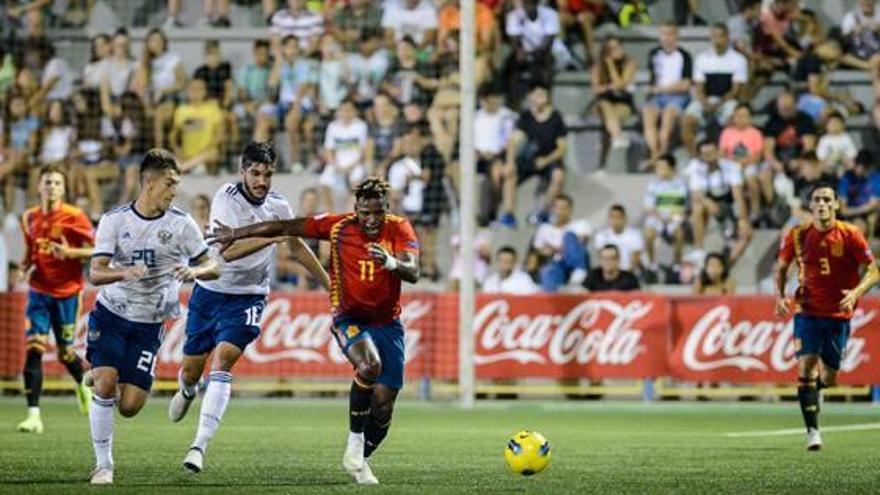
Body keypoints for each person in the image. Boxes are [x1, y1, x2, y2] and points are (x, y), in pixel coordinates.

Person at [207, 178, 421, 486]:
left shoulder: (399, 228)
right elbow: (284, 227)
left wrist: (391, 262)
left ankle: (361, 460)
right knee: (369, 366)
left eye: (377, 212)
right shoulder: (338, 227)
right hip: (349, 316)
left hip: (388, 323)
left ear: (386, 209)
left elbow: (413, 271)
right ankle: (354, 441)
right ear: (355, 209)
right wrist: (235, 233)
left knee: (384, 404)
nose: (371, 220)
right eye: (365, 212)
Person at [168, 142, 329, 473]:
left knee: (224, 359)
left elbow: (296, 246)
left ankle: (199, 445)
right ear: (243, 172)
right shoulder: (225, 199)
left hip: (249, 295)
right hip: (210, 290)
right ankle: (187, 388)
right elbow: (229, 251)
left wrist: (331, 285)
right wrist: (272, 235)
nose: (262, 180)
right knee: (191, 370)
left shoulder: (279, 206)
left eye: (267, 174)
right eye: (255, 173)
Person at [85, 149, 220, 485]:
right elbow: (95, 274)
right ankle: (104, 465)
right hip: (111, 314)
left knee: (129, 406)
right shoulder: (115, 221)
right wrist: (124, 272)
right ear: (148, 182)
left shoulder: (182, 224)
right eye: (170, 183)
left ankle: (105, 376)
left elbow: (213, 267)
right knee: (104, 384)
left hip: (150, 323)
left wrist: (194, 271)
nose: (175, 190)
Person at [776, 183, 878, 451]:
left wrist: (857, 292)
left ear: (836, 205)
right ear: (811, 206)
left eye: (826, 199)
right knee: (806, 364)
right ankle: (813, 432)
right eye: (816, 200)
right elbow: (782, 267)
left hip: (838, 314)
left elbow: (873, 271)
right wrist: (779, 296)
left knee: (831, 376)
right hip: (806, 310)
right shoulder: (797, 235)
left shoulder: (850, 234)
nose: (821, 203)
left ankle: (819, 389)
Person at [16, 165, 95, 434]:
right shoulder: (28, 218)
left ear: (63, 188)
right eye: (47, 181)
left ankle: (83, 385)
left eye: (56, 182)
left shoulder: (76, 217)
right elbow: (31, 251)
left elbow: (97, 250)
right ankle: (33, 415)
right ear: (39, 187)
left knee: (65, 353)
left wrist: (69, 252)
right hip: (39, 292)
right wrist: (25, 268)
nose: (51, 186)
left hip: (68, 293)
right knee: (34, 348)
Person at [500, 84, 568, 228]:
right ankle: (509, 214)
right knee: (509, 172)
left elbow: (562, 148)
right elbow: (513, 141)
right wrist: (510, 162)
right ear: (530, 97)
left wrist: (546, 160)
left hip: (550, 159)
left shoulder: (556, 117)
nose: (540, 98)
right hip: (530, 159)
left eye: (543, 94)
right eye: (537, 95)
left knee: (558, 175)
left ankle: (543, 213)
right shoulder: (526, 117)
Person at [680, 23, 747, 156]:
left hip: (727, 100)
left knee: (732, 118)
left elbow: (736, 89)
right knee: (686, 120)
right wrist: (705, 103)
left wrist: (720, 103)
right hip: (706, 99)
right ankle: (696, 157)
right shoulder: (702, 59)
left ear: (727, 38)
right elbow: (699, 87)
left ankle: (725, 155)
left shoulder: (738, 60)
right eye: (714, 36)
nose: (717, 40)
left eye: (720, 36)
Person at [642, 21, 692, 161]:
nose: (666, 38)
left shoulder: (684, 56)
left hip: (678, 96)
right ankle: (654, 153)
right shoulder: (654, 54)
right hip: (657, 97)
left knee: (668, 116)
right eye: (663, 34)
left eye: (670, 34)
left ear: (676, 36)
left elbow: (685, 85)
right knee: (648, 114)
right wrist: (655, 90)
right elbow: (652, 80)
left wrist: (661, 89)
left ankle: (663, 153)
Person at [532, 194, 590, 292]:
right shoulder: (544, 228)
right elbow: (540, 250)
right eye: (558, 208)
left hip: (577, 261)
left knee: (569, 235)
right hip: (556, 264)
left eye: (564, 208)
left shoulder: (580, 224)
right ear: (552, 210)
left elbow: (580, 243)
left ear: (571, 210)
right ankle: (551, 302)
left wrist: (554, 248)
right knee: (548, 271)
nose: (561, 211)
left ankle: (578, 271)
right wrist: (560, 249)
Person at [643, 154, 688, 270]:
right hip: (657, 218)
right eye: (657, 167)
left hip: (674, 217)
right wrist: (661, 218)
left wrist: (670, 218)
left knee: (679, 233)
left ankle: (677, 263)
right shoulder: (653, 184)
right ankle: (652, 263)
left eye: (663, 167)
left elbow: (681, 206)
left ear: (672, 168)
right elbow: (649, 207)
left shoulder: (681, 184)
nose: (659, 170)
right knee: (648, 234)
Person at [593, 204, 644, 274]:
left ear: (625, 218)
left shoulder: (635, 235)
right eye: (612, 217)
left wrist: (623, 276)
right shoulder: (601, 235)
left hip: (629, 273)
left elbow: (635, 259)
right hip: (609, 273)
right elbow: (602, 259)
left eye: (618, 218)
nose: (615, 221)